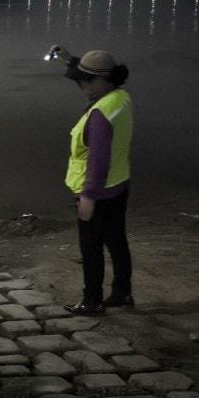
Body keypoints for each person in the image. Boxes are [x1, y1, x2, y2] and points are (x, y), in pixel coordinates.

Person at [52, 47, 134, 316]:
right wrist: (69, 59)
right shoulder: (120, 99)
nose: (83, 85)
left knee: (91, 248)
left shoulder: (99, 114)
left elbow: (98, 157)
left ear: (103, 80)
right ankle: (122, 293)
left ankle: (92, 301)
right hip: (119, 184)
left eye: (88, 80)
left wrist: (89, 195)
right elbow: (91, 73)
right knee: (117, 241)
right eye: (80, 79)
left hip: (96, 191)